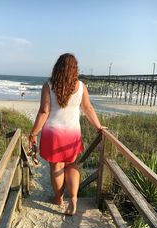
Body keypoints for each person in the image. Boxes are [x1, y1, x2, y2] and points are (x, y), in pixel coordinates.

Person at [29, 53, 104, 215]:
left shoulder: (48, 85)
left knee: (56, 167)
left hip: (52, 134)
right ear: (75, 69)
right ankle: (74, 199)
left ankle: (58, 199)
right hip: (72, 134)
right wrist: (98, 127)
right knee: (72, 165)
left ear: (57, 67)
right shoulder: (81, 86)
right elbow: (88, 108)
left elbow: (44, 111)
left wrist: (34, 133)